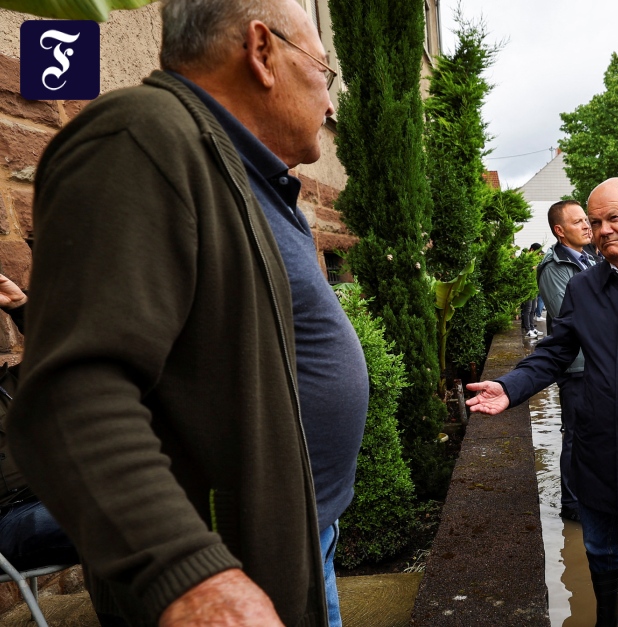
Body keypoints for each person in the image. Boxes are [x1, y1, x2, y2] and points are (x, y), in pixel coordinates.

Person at [9, 1, 360, 624]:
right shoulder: (140, 136)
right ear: (262, 51)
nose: (330, 105)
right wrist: (194, 580)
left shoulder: (247, 177)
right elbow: (72, 397)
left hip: (297, 545)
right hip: (224, 580)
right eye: (324, 72)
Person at [467, 178, 618, 627]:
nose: (602, 230)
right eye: (595, 222)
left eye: (612, 218)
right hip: (596, 444)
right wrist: (511, 386)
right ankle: (607, 622)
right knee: (599, 547)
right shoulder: (584, 288)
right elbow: (555, 352)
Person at [0, 275, 79, 572]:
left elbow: (66, 348)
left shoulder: (14, 382)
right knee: (111, 520)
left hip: (61, 497)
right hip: (11, 519)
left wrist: (20, 305)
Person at [537, 200, 595, 523]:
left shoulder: (589, 258)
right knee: (574, 436)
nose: (588, 225)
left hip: (598, 363)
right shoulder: (553, 267)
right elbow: (571, 317)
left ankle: (591, 495)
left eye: (586, 219)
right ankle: (572, 507)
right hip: (576, 366)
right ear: (560, 232)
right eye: (578, 222)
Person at [521, 243, 545, 338]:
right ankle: (527, 330)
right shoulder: (526, 259)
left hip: (534, 287)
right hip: (527, 287)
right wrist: (532, 268)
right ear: (532, 249)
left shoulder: (535, 260)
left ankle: (532, 327)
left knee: (532, 309)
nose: (538, 254)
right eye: (537, 251)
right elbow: (523, 272)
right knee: (527, 309)